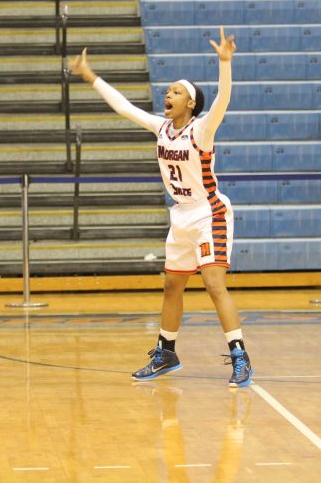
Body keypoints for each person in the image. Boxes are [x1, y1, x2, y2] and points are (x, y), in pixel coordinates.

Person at [69, 28, 253, 388]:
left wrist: (225, 63)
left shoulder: (201, 130)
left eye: (176, 91)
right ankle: (166, 352)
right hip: (181, 214)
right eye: (168, 90)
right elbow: (123, 107)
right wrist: (91, 76)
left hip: (208, 212)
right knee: (172, 285)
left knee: (214, 284)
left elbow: (223, 101)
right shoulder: (162, 128)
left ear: (191, 103)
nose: (168, 94)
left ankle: (239, 355)